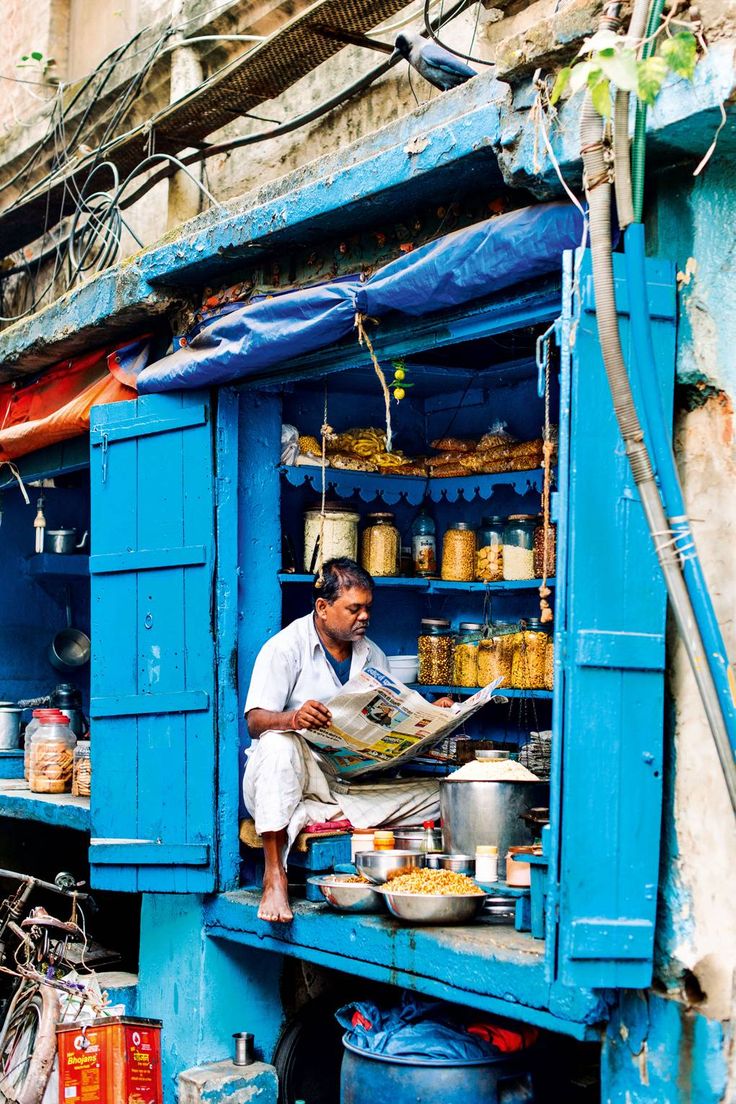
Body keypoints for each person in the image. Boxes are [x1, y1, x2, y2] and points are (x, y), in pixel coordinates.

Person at [243, 557, 448, 922]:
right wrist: (293, 718)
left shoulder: (373, 654)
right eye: (354, 608)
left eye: (368, 608)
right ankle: (275, 875)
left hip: (345, 784)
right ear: (322, 607)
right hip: (289, 777)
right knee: (277, 743)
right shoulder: (284, 648)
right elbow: (255, 722)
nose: (364, 617)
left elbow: (392, 718)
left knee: (440, 794)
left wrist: (434, 719)